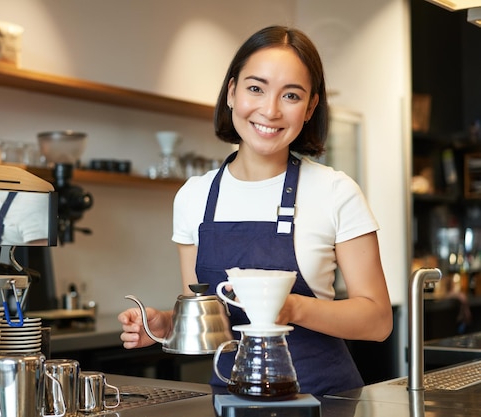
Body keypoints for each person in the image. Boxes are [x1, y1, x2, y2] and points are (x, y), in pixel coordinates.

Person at [118, 25, 392, 396]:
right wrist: (167, 323)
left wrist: (292, 308)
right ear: (231, 92)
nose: (270, 109)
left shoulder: (335, 191)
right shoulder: (193, 196)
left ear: (311, 107)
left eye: (291, 95)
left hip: (324, 401)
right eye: (255, 88)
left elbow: (377, 321)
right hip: (231, 399)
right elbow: (210, 315)